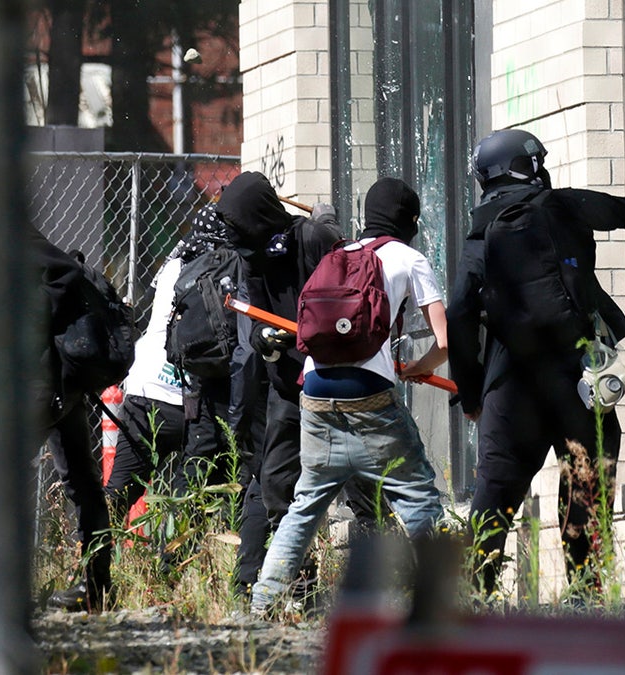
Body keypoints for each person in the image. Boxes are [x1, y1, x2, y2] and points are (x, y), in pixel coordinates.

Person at [447, 128, 625, 594]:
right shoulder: (564, 205)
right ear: (529, 167)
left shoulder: (480, 235)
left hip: (511, 390)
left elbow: (457, 312)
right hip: (578, 378)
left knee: (493, 502)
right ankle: (587, 599)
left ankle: (471, 603)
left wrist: (472, 396)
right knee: (586, 493)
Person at [250, 177, 448, 616]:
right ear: (410, 221)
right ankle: (445, 600)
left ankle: (262, 602)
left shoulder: (340, 253)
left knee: (305, 506)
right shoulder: (410, 258)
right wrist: (421, 367)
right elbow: (444, 341)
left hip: (315, 393)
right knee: (417, 497)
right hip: (370, 397)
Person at [215, 171, 380, 598]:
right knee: (276, 485)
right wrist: (264, 341)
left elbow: (353, 293)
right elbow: (255, 314)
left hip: (337, 382)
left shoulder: (311, 239)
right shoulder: (252, 256)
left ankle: (374, 587)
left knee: (362, 486)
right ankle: (301, 593)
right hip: (289, 389)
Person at [103, 204, 266, 582]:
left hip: (146, 392)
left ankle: (92, 562)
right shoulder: (231, 267)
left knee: (120, 491)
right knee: (198, 493)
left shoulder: (175, 263)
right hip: (199, 402)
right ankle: (176, 569)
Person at [31, 229, 113, 613]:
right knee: (81, 480)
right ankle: (97, 588)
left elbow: (65, 273)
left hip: (42, 382)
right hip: (56, 383)